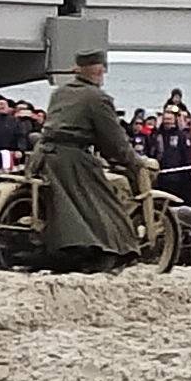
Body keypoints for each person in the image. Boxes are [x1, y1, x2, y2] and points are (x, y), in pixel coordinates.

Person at [27, 49, 143, 271]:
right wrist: (133, 161)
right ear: (99, 70)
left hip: (43, 154)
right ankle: (109, 249)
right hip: (70, 159)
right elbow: (113, 139)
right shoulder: (97, 98)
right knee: (104, 202)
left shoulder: (60, 92)